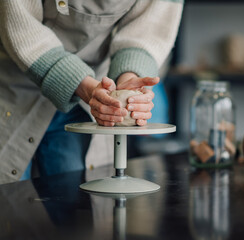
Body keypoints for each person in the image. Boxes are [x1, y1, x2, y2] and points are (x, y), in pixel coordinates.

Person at [0, 0, 183, 184]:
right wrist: (83, 86)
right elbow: (21, 25)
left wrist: (128, 81)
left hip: (96, 86)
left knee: (75, 199)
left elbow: (147, 31)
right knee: (9, 195)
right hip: (16, 78)